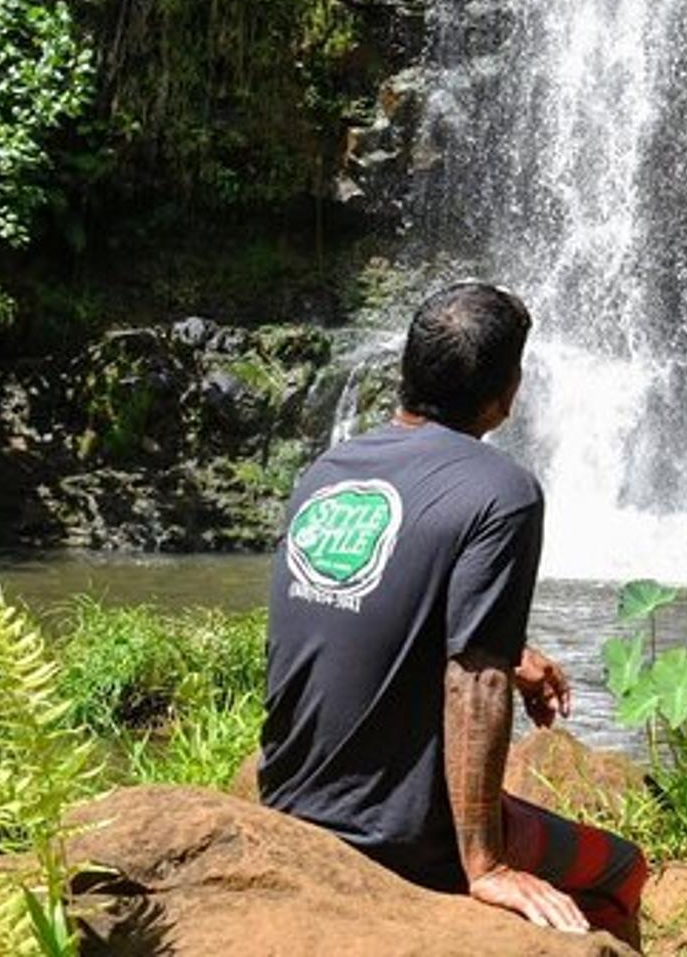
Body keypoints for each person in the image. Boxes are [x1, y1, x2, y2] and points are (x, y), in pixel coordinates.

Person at [259, 281, 647, 945]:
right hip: (401, 834)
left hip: (289, 800)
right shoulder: (502, 491)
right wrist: (485, 863)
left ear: (408, 369)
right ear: (507, 392)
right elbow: (475, 683)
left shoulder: (329, 471)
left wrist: (511, 650)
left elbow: (366, 605)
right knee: (623, 869)